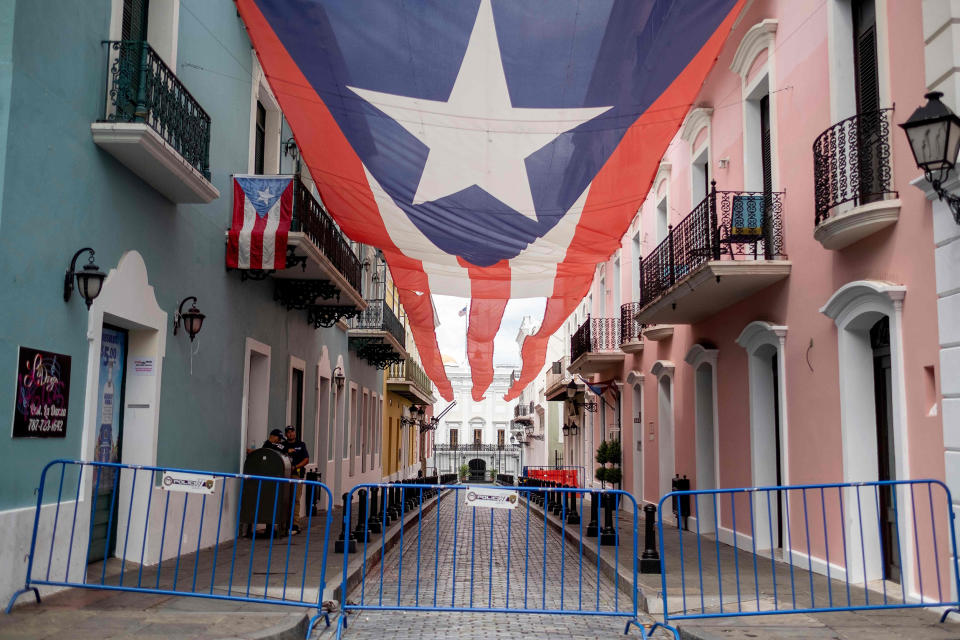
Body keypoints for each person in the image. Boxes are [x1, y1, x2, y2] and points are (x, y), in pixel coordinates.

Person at [283, 425, 310, 534]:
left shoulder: (301, 445)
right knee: (285, 499)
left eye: (292, 431)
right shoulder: (283, 445)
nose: (290, 434)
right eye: (288, 432)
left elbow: (306, 459)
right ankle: (284, 523)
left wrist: (296, 466)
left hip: (296, 474)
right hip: (284, 475)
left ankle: (295, 524)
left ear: (295, 433)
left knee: (295, 499)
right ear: (286, 434)